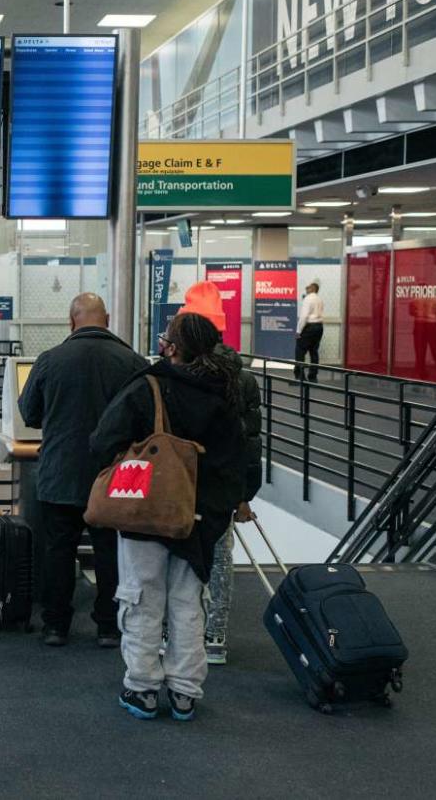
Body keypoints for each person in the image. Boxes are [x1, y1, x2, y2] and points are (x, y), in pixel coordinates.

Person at [90, 311, 245, 722]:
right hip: (199, 519)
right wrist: (214, 507)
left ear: (171, 348)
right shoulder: (225, 392)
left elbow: (103, 440)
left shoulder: (148, 388)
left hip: (146, 512)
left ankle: (141, 688)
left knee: (140, 597)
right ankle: (184, 693)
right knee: (188, 602)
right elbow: (240, 462)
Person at [18, 293, 147, 649]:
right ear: (106, 318)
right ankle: (108, 626)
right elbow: (145, 422)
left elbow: (29, 414)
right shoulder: (133, 362)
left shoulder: (50, 360)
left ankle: (56, 626)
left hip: (60, 473)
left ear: (71, 321)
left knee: (58, 550)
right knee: (110, 552)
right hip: (113, 476)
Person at [171, 282, 263, 666]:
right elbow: (251, 441)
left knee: (175, 557)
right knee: (221, 559)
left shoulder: (177, 374)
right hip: (223, 485)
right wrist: (245, 493)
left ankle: (172, 633)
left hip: (181, 481)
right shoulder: (242, 377)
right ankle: (215, 637)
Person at [294, 281, 324, 381]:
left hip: (309, 327)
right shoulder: (319, 299)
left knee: (300, 351)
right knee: (314, 352)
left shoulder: (308, 298)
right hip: (319, 327)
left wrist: (298, 331)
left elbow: (304, 316)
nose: (306, 289)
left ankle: (300, 376)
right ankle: (313, 376)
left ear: (313, 289)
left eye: (308, 287)